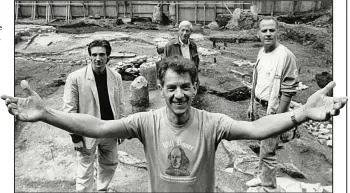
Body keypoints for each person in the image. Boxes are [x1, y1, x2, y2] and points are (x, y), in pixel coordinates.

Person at [2, 56, 347, 192]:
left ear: (195, 88)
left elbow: (258, 129)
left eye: (185, 87)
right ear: (161, 90)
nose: (179, 94)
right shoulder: (145, 121)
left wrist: (300, 113)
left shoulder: (213, 123)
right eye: (171, 87)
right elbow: (97, 126)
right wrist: (46, 114)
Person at [63, 39, 125, 192]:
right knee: (85, 169)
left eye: (102, 54)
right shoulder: (75, 78)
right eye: (94, 55)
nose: (98, 58)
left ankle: (101, 189)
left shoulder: (116, 77)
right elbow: (69, 110)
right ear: (89, 56)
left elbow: (120, 104)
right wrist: (75, 137)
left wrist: (121, 128)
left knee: (109, 164)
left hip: (110, 129)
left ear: (108, 56)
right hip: (86, 132)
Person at [246, 17, 299, 191]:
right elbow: (257, 79)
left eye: (271, 30)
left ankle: (268, 186)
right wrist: (251, 103)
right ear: (258, 34)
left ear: (278, 31)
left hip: (273, 110)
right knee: (263, 143)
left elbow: (289, 89)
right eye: (264, 31)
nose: (268, 34)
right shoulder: (262, 52)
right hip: (259, 106)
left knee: (268, 149)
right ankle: (262, 175)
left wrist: (279, 117)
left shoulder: (286, 55)